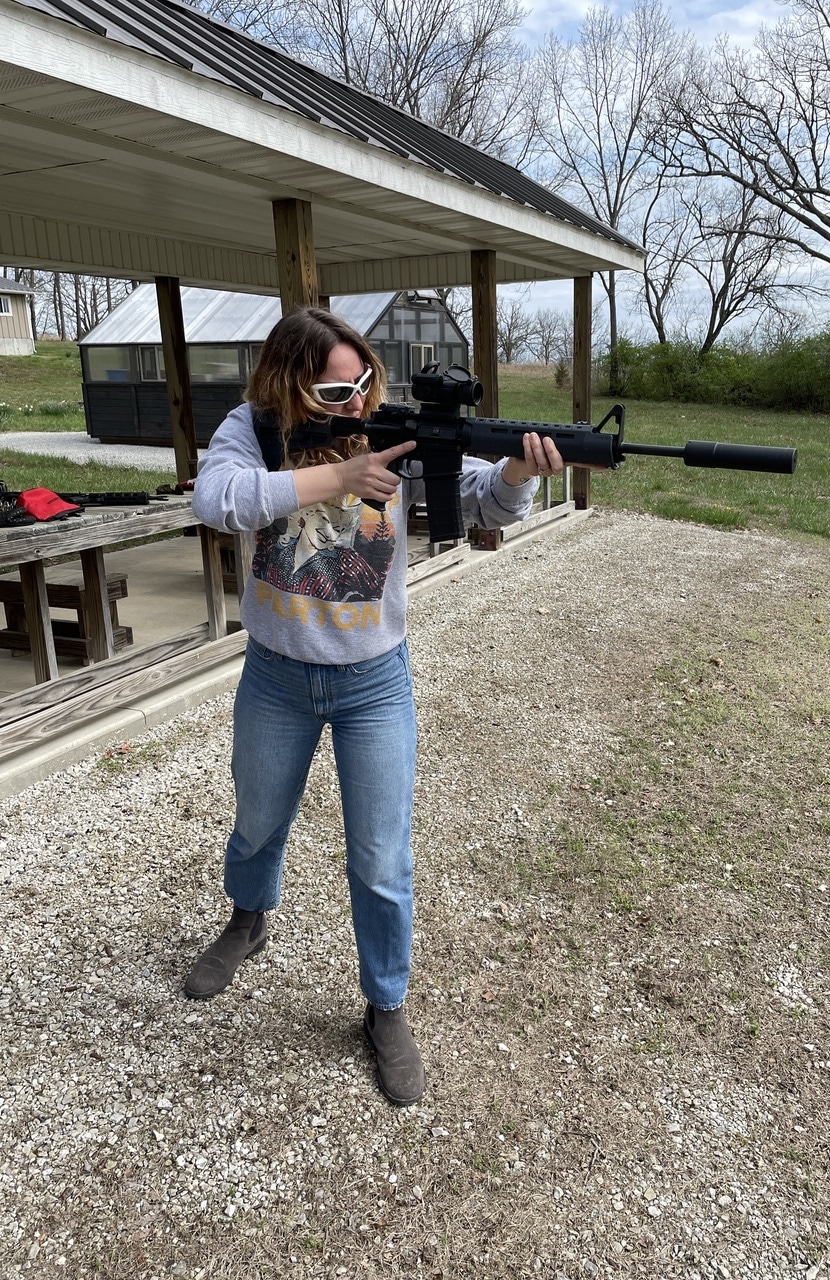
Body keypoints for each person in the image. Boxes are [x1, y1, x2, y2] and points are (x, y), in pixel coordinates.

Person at [184, 305, 566, 1106]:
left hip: (373, 682)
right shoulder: (252, 431)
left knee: (383, 860)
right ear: (289, 387)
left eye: (362, 384)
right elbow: (215, 501)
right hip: (277, 675)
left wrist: (518, 476)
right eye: (331, 392)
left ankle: (385, 1005)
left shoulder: (393, 429)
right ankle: (248, 919)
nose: (354, 403)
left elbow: (479, 505)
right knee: (258, 820)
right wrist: (338, 476)